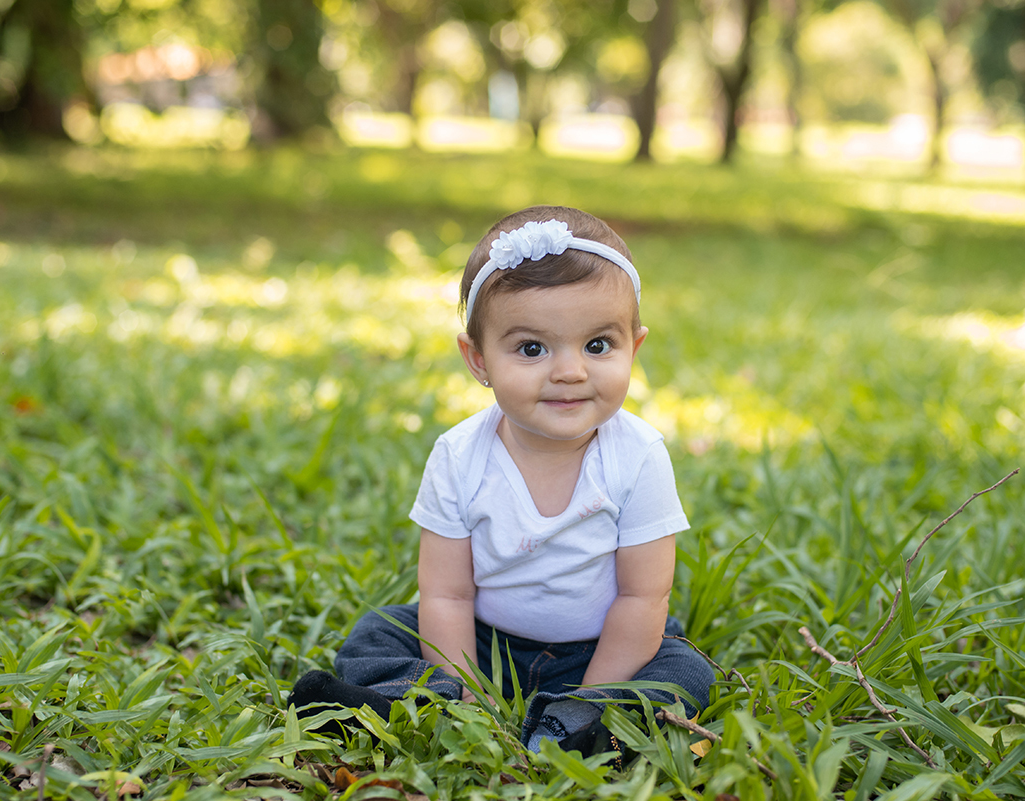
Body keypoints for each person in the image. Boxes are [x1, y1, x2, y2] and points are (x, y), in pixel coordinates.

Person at [289, 205, 714, 759]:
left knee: (684, 665)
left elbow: (642, 596)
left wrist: (594, 688)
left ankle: (585, 718)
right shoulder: (460, 455)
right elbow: (447, 591)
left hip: (602, 647)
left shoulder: (638, 457)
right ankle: (423, 701)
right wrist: (469, 689)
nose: (570, 371)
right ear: (478, 359)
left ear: (634, 347)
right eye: (532, 349)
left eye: (597, 345)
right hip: (485, 642)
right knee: (381, 632)